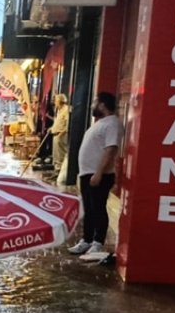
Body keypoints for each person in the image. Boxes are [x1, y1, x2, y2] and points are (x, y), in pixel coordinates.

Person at [68, 92, 122, 257]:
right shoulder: (101, 123)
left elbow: (111, 150)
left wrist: (99, 173)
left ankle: (97, 242)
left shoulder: (112, 124)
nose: (92, 106)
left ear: (102, 105)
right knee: (89, 209)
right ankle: (87, 240)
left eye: (95, 103)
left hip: (99, 175)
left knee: (98, 208)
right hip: (88, 173)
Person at [50, 93, 70, 171]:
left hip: (61, 135)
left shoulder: (66, 110)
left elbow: (67, 125)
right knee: (56, 156)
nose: (54, 102)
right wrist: (52, 128)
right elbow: (57, 122)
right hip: (55, 134)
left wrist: (61, 134)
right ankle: (57, 171)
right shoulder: (59, 110)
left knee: (61, 155)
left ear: (60, 101)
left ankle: (60, 172)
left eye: (56, 101)